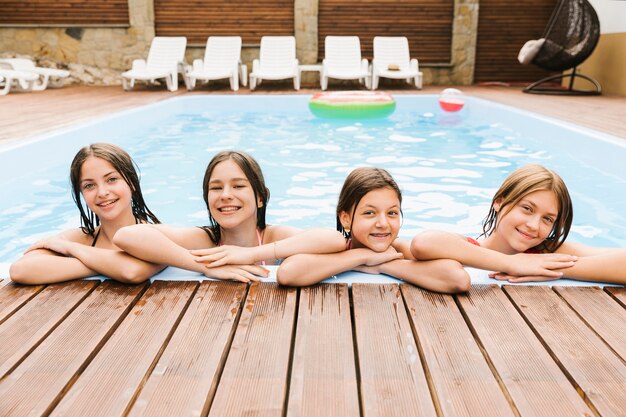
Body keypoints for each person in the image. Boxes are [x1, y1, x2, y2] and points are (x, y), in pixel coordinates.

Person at [114, 150, 346, 282]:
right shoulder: (206, 241)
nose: (225, 195)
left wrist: (251, 254)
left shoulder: (272, 236)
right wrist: (204, 266)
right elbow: (127, 235)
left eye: (238, 186)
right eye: (216, 188)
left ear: (260, 197)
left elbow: (334, 240)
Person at [410, 164, 626, 284]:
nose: (534, 225)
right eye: (527, 209)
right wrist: (511, 263)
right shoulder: (471, 249)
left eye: (548, 219)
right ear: (499, 202)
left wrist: (552, 270)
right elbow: (424, 243)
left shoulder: (545, 253)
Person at [276, 167, 471, 292]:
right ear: (345, 218)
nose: (383, 223)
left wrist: (384, 266)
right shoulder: (332, 246)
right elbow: (287, 273)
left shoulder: (400, 251)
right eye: (369, 213)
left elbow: (458, 279)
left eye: (392, 213)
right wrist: (361, 258)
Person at [10, 143, 165, 284]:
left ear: (131, 183)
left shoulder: (157, 236)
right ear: (82, 193)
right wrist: (108, 265)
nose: (102, 192)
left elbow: (131, 272)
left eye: (111, 179)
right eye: (89, 185)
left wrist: (74, 250)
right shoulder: (82, 238)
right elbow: (20, 270)